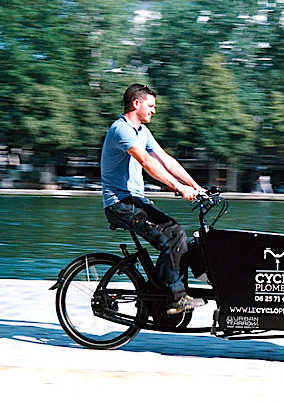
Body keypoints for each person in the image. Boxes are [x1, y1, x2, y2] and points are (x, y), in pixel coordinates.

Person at [100, 83, 205, 315]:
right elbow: (147, 163)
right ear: (136, 104)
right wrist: (178, 188)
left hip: (134, 201)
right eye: (151, 105)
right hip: (120, 204)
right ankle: (175, 298)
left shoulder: (142, 132)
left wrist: (195, 186)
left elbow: (165, 160)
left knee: (174, 235)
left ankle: (162, 294)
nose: (154, 110)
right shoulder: (122, 130)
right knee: (174, 234)